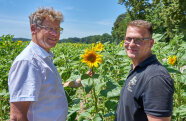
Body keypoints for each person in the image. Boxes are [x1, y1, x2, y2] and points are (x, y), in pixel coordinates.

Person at [8, 7, 83, 121]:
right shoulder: (28, 62)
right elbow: (17, 116)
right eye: (49, 28)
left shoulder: (44, 57)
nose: (55, 34)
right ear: (33, 29)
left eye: (57, 29)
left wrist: (77, 83)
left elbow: (46, 91)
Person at [115, 20, 174, 121]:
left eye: (138, 40)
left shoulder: (156, 78)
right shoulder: (138, 69)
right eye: (128, 39)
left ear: (151, 43)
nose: (131, 44)